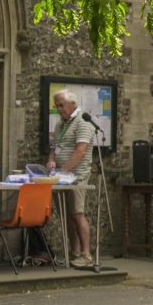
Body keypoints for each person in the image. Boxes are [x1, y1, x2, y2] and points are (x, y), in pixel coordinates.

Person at [46, 89, 97, 268]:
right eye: (57, 106)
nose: (59, 109)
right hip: (61, 177)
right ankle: (74, 252)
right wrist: (51, 161)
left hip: (77, 176)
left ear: (72, 104)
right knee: (66, 216)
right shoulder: (60, 124)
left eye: (61, 105)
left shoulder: (82, 122)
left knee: (77, 213)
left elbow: (80, 151)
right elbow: (54, 148)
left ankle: (86, 254)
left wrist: (62, 170)